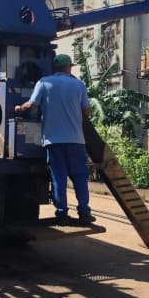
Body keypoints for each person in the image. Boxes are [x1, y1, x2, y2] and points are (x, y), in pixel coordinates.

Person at [14, 54, 94, 226]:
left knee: (59, 178)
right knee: (80, 177)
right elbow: (87, 111)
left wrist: (19, 108)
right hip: (76, 141)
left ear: (54, 67)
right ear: (68, 67)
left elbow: (31, 105)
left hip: (54, 141)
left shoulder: (43, 82)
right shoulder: (79, 84)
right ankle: (84, 213)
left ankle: (62, 214)